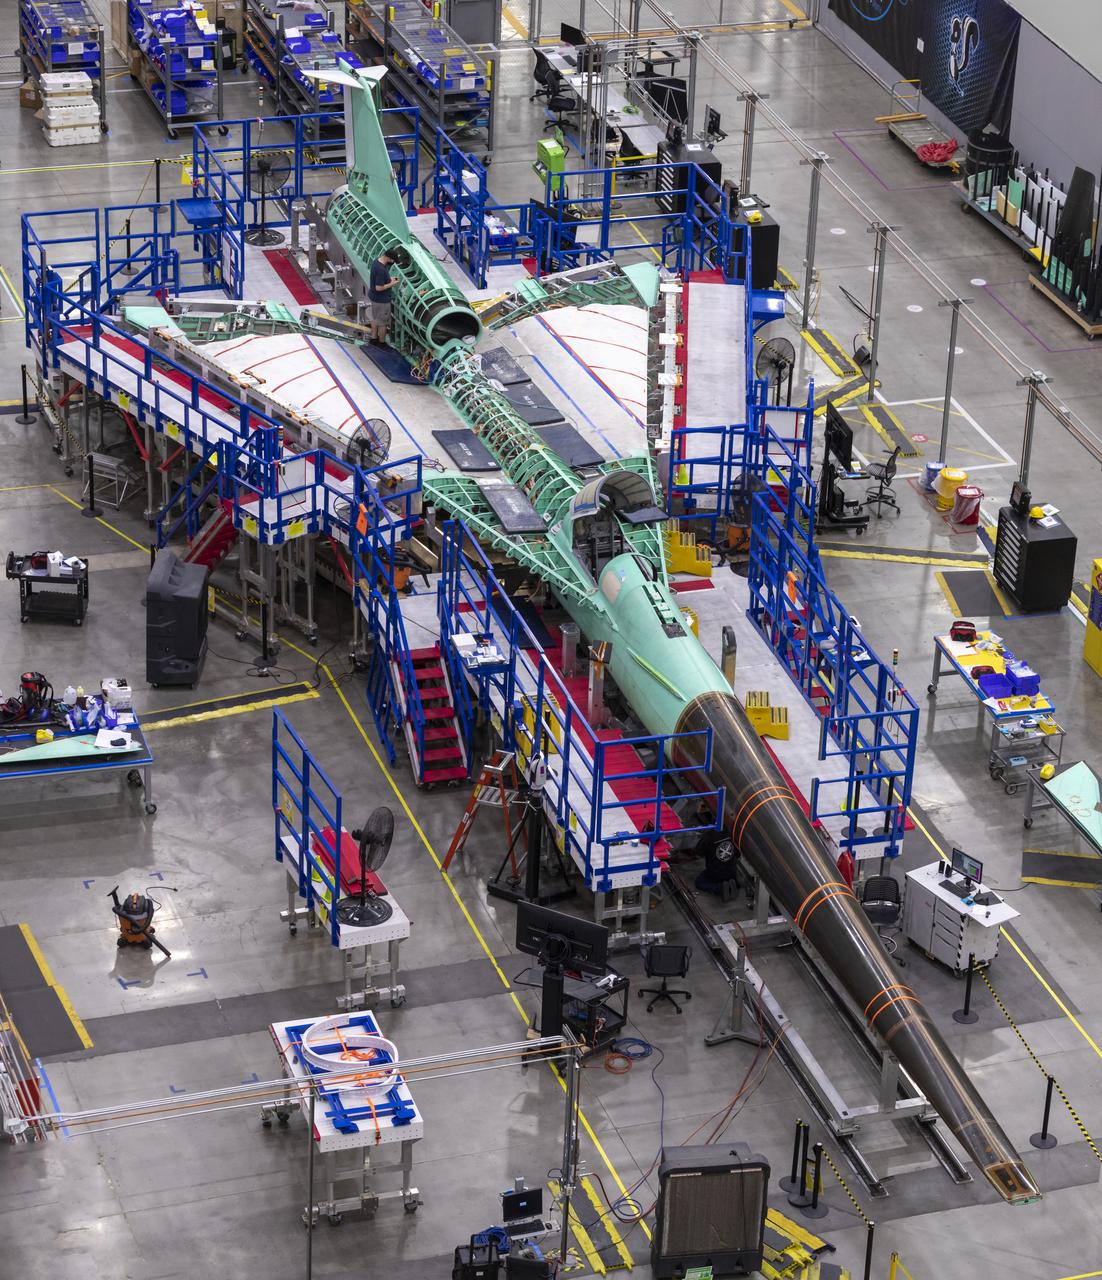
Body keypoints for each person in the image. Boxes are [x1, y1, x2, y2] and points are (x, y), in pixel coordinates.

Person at [368, 249, 397, 345]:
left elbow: (379, 280)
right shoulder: (381, 270)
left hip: (374, 298)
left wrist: (389, 279)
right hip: (382, 301)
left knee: (375, 318)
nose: (393, 262)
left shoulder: (376, 262)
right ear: (388, 258)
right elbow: (379, 288)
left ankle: (373, 339)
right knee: (383, 324)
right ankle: (381, 343)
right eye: (393, 260)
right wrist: (392, 283)